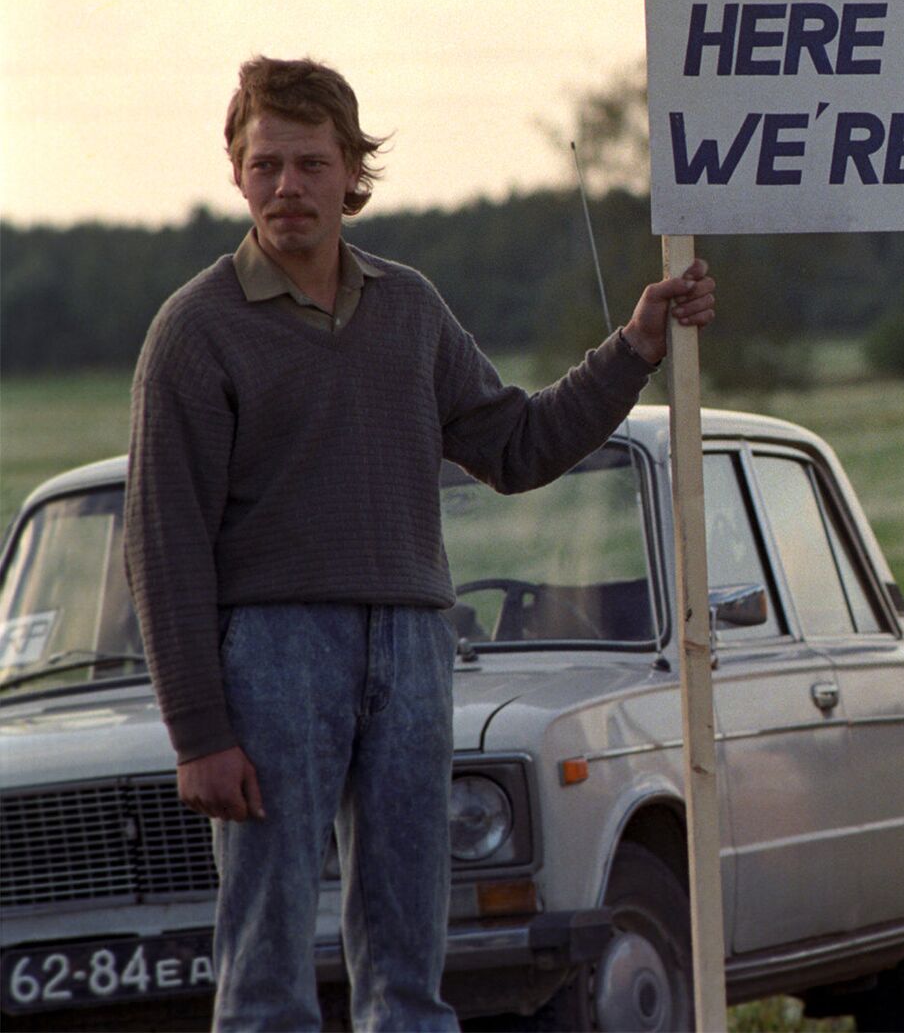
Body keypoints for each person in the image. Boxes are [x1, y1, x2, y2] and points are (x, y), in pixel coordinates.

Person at [123, 56, 715, 1032]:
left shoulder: (409, 309)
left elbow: (515, 446)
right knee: (265, 960)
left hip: (409, 646)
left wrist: (635, 348)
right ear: (235, 172)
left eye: (310, 163)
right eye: (265, 163)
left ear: (352, 172)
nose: (287, 187)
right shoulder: (195, 331)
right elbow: (163, 540)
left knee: (408, 956)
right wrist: (199, 730)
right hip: (271, 656)